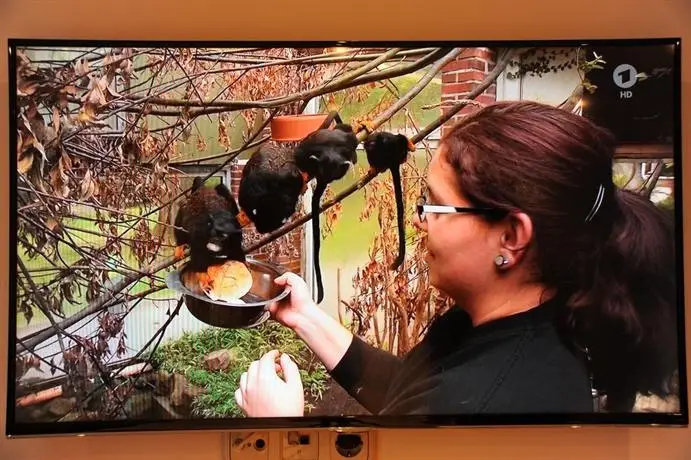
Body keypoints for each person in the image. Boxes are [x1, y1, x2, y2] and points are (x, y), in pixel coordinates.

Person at [234, 100, 679, 417]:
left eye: (435, 206)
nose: (421, 221)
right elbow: (410, 392)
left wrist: (278, 434)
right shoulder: (507, 330)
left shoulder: (497, 405)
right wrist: (308, 318)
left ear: (511, 236)